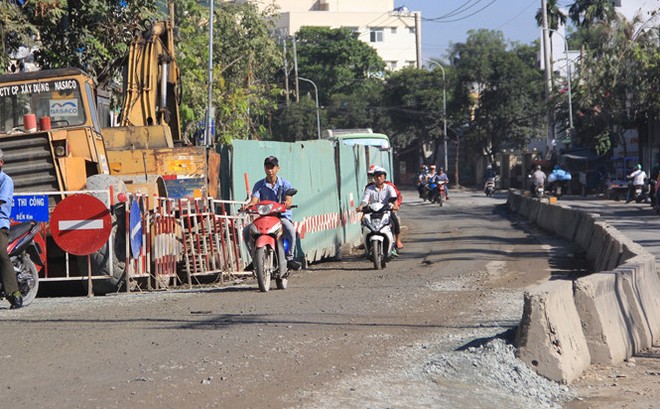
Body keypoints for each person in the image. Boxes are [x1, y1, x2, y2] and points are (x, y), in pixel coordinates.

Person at [242, 156, 301, 271]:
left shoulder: (285, 184)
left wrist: (287, 203)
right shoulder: (259, 185)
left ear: (278, 168)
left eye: (272, 167)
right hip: (265, 218)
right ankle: (255, 259)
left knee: (290, 230)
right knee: (246, 231)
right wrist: (248, 205)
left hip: (281, 217)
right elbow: (254, 200)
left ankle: (289, 258)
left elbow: (289, 199)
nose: (270, 170)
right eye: (267, 167)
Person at [356, 166, 404, 250]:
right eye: (376, 176)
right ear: (374, 177)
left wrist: (395, 206)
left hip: (386, 211)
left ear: (384, 177)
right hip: (373, 211)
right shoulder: (369, 188)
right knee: (364, 222)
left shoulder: (389, 187)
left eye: (380, 176)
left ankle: (397, 241)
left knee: (394, 221)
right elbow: (365, 200)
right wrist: (361, 207)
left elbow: (394, 199)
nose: (378, 178)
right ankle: (365, 241)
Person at [0, 149, 22, 309]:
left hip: (0, 225)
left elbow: (2, 200)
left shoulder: (5, 181)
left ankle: (14, 293)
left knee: (1, 254)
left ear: (1, 163)